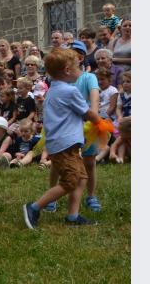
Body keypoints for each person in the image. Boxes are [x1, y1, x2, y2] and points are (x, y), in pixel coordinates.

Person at [23, 48, 106, 229]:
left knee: (81, 177)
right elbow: (87, 114)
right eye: (78, 67)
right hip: (65, 144)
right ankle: (34, 207)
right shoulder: (70, 92)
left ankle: (72, 216)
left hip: (60, 143)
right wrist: (101, 123)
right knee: (70, 181)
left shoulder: (53, 90)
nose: (80, 70)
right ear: (68, 70)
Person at [68, 41, 103, 213]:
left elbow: (94, 96)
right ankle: (58, 194)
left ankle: (91, 196)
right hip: (67, 125)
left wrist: (94, 116)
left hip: (88, 123)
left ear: (81, 57)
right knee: (65, 161)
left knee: (89, 162)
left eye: (74, 54)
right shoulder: (62, 79)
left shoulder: (89, 77)